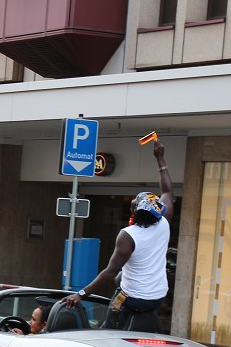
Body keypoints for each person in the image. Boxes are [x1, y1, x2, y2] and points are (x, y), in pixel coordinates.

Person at [61, 139, 173, 329]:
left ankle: (110, 330)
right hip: (157, 298)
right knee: (121, 277)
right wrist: (160, 158)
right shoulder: (164, 223)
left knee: (113, 316)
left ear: (133, 212)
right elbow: (168, 191)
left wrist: (80, 294)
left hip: (132, 298)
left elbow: (109, 272)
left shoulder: (128, 235)